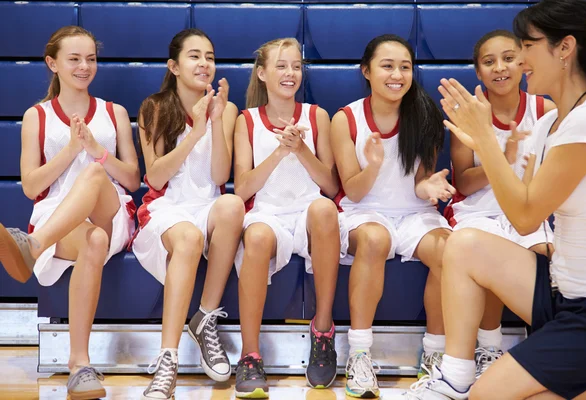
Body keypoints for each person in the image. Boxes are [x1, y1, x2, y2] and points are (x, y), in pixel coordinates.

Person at [401, 0, 586, 398]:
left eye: (527, 46)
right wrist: (488, 148)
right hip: (560, 291)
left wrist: (488, 145)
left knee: (488, 395)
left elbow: (526, 218)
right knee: (465, 244)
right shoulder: (549, 123)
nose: (521, 60)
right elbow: (520, 197)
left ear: (565, 49)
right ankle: (454, 376)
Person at [0, 26, 140, 400]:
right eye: (74, 59)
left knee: (95, 175)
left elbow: (132, 178)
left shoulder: (114, 112)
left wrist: (96, 150)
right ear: (53, 63)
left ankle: (32, 245)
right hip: (61, 216)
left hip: (112, 213)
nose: (84, 66)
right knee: (92, 241)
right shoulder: (37, 116)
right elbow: (31, 186)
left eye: (91, 59)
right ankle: (80, 365)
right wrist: (69, 151)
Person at [330, 34, 455, 398]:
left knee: (451, 252)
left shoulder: (426, 113)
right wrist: (374, 166)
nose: (397, 74)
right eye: (387, 66)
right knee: (374, 239)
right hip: (363, 211)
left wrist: (428, 187)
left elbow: (418, 183)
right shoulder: (346, 119)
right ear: (366, 71)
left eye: (405, 66)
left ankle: (435, 356)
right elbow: (352, 190)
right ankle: (359, 354)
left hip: (414, 213)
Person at [131, 28, 245, 400]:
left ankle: (205, 318)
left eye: (210, 56)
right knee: (191, 238)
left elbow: (218, 177)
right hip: (166, 207)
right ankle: (168, 360)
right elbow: (155, 176)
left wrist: (214, 121)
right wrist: (196, 130)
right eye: (194, 56)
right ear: (174, 66)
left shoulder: (226, 109)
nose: (204, 63)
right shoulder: (155, 107)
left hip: (207, 205)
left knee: (231, 204)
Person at [233, 37, 343, 398]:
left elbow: (329, 184)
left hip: (309, 210)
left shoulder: (316, 116)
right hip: (268, 212)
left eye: (296, 66)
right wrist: (281, 152)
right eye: (281, 66)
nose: (290, 72)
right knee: (258, 237)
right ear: (262, 73)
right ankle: (250, 354)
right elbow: (242, 189)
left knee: (326, 210)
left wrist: (302, 150)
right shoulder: (246, 120)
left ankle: (323, 332)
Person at [444, 29, 555, 378]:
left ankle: (544, 346)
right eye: (489, 62)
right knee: (487, 251)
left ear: (523, 63)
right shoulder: (468, 114)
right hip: (478, 209)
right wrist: (502, 160)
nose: (500, 67)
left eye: (508, 58)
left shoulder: (545, 109)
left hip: (527, 207)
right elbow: (462, 181)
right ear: (478, 72)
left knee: (543, 250)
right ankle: (489, 348)